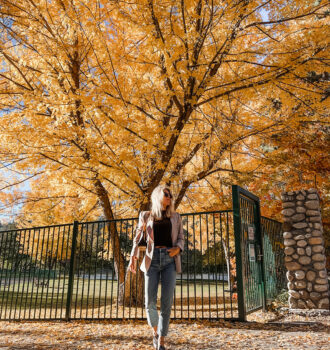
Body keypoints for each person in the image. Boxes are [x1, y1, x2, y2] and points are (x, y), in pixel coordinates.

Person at [128, 185, 184, 350]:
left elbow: (180, 237)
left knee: (166, 303)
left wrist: (178, 248)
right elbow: (137, 237)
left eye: (170, 195)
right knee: (150, 302)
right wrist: (133, 257)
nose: (169, 197)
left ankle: (161, 342)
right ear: (158, 195)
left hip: (169, 260)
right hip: (151, 261)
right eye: (166, 194)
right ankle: (155, 333)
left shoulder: (176, 216)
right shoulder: (146, 215)